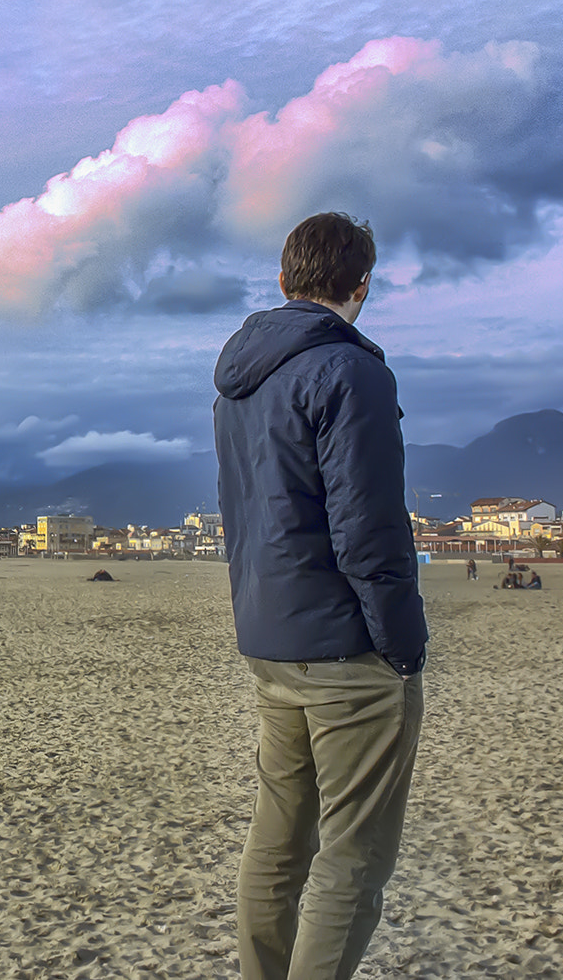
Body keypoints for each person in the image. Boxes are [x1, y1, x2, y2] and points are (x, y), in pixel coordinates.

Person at [213, 211, 427, 980]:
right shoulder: (351, 371)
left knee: (278, 836)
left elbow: (244, 508)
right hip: (346, 650)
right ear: (361, 286)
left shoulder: (241, 379)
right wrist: (403, 646)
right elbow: (369, 528)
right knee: (353, 854)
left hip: (270, 640)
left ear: (284, 280)